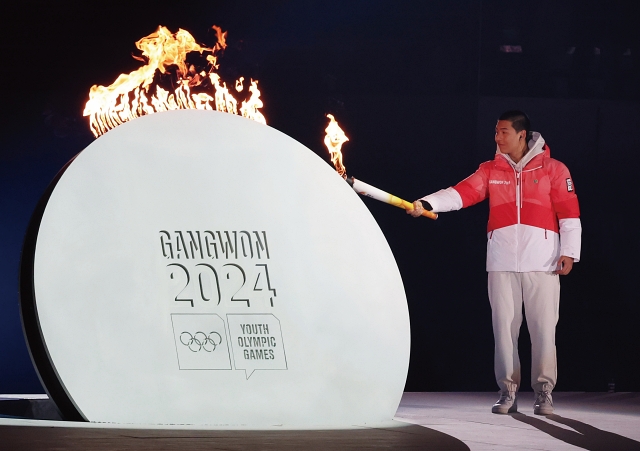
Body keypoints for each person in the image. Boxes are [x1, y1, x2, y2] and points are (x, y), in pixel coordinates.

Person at [408, 110, 581, 415]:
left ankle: (544, 393)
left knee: (543, 330)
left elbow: (569, 214)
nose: (497, 137)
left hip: (543, 262)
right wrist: (427, 203)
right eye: (496, 132)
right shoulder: (490, 170)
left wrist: (569, 251)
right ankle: (507, 392)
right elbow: (460, 193)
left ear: (521, 135)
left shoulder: (554, 169)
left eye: (503, 132)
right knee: (503, 330)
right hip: (500, 262)